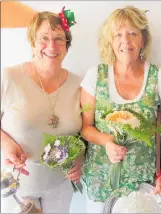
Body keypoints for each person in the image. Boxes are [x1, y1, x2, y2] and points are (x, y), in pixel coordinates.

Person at [69, 5, 161, 213]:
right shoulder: (94, 76)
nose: (125, 41)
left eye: (133, 33)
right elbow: (86, 128)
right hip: (101, 181)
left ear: (143, 39)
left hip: (142, 183)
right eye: (118, 35)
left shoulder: (160, 77)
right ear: (110, 40)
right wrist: (106, 141)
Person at [1, 10, 83, 213]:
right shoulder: (9, 77)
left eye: (59, 39)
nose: (52, 46)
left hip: (61, 185)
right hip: (18, 184)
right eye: (43, 39)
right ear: (32, 43)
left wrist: (81, 157)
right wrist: (6, 142)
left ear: (67, 45)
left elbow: (86, 130)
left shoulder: (80, 85)